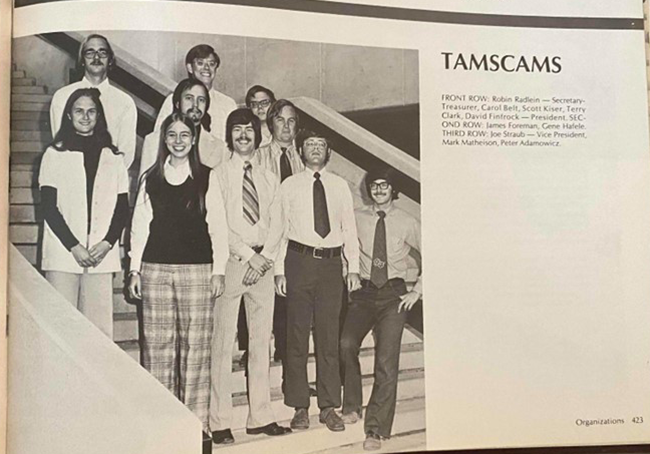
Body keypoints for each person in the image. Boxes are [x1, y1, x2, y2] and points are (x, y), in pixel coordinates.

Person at [128, 112, 229, 434]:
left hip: (198, 273)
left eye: (185, 135)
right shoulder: (150, 178)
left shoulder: (207, 178)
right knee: (156, 349)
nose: (178, 141)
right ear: (164, 139)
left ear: (194, 139)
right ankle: (161, 427)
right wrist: (134, 270)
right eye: (172, 135)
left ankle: (196, 428)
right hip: (155, 271)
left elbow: (219, 229)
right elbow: (139, 228)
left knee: (195, 351)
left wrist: (219, 271)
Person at [208, 108, 291, 444]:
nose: (243, 135)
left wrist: (268, 259)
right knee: (223, 344)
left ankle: (260, 416)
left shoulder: (270, 178)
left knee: (261, 344)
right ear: (229, 136)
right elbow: (218, 225)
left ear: (259, 137)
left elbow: (278, 224)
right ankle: (220, 421)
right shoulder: (219, 174)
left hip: (263, 266)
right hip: (232, 261)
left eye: (249, 130)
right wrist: (249, 256)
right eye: (237, 130)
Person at [275, 129, 360, 432]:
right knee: (296, 336)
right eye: (309, 144)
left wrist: (353, 268)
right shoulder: (288, 186)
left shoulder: (339, 186)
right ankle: (299, 406)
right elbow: (279, 229)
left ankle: (328, 406)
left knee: (328, 337)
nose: (314, 149)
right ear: (301, 151)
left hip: (331, 265)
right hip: (298, 261)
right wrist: (278, 270)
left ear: (328, 152)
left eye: (320, 145)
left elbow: (349, 227)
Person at [339, 168, 422, 451]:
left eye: (384, 185)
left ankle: (375, 429)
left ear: (393, 189)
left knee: (386, 362)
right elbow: (345, 248)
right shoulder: (357, 217)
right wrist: (348, 271)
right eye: (374, 185)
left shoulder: (407, 221)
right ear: (368, 190)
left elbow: (434, 251)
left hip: (394, 295)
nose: (379, 190)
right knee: (346, 343)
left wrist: (417, 290)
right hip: (363, 292)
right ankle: (351, 405)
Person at [40, 87, 129, 338]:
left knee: (98, 333)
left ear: (99, 116)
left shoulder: (114, 157)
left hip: (100, 255)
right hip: (64, 253)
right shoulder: (54, 154)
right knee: (60, 330)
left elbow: (122, 207)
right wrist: (74, 246)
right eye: (79, 111)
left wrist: (107, 243)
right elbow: (49, 207)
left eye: (92, 111)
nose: (85, 116)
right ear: (69, 115)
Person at [50, 34, 137, 170]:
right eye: (90, 52)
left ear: (110, 60)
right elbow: (59, 143)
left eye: (102, 52)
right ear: (82, 60)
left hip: (108, 180)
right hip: (71, 175)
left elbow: (126, 153)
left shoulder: (125, 102)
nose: (96, 57)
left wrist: (106, 180)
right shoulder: (62, 97)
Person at [140, 78, 227, 177]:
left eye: (201, 100)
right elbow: (144, 187)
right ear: (177, 104)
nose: (195, 105)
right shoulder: (152, 142)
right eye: (189, 98)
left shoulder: (219, 147)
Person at [154, 44, 236, 143]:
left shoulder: (228, 104)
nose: (206, 68)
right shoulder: (173, 100)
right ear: (190, 68)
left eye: (211, 63)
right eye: (200, 63)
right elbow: (157, 138)